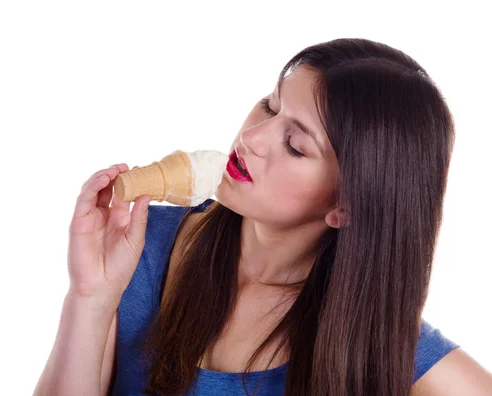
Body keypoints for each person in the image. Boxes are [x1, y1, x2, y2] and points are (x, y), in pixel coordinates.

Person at [33, 38, 492, 395]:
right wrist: (89, 298)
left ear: (344, 206)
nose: (252, 137)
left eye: (295, 145)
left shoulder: (372, 340)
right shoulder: (138, 246)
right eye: (270, 106)